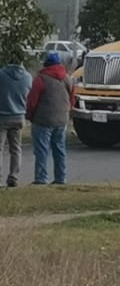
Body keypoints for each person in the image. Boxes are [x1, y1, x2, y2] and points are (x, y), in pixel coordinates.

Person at [26, 51, 74, 185]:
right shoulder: (67, 78)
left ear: (46, 64)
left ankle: (41, 178)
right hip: (61, 119)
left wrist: (29, 115)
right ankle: (61, 178)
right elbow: (71, 100)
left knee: (42, 150)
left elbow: (32, 101)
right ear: (59, 64)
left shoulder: (40, 79)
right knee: (59, 149)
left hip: (43, 120)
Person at [0, 55, 30, 188]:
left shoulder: (1, 74)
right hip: (19, 116)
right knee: (16, 149)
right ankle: (13, 177)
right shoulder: (28, 77)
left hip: (2, 115)